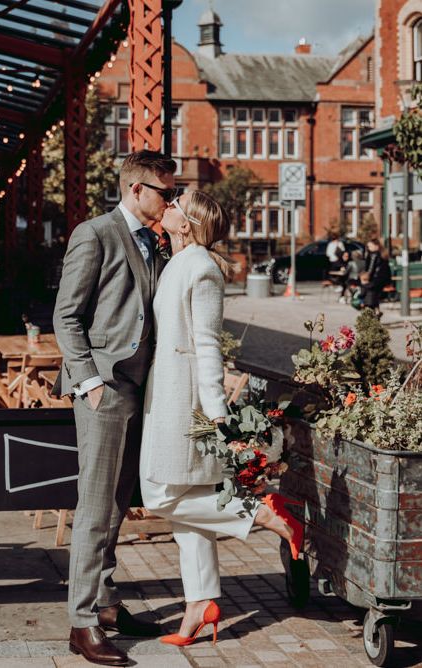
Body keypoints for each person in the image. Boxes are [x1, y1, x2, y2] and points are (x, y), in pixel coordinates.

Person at [139, 191, 303, 648]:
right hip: (167, 390)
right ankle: (201, 604)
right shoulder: (178, 261)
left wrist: (217, 416)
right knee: (188, 505)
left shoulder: (203, 269)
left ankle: (262, 514)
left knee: (159, 496)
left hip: (185, 398)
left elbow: (209, 344)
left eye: (176, 200)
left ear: (187, 222)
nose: (168, 203)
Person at [53, 150, 177, 666]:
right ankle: (82, 624)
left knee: (118, 506)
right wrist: (88, 382)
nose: (172, 201)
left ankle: (105, 605)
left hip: (137, 390)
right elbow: (66, 315)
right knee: (95, 509)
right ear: (135, 190)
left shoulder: (155, 241)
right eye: (165, 193)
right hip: (104, 389)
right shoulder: (95, 233)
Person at [363, 238, 391, 313]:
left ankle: (370, 310)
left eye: (370, 246)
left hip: (378, 280)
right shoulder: (380, 255)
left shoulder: (375, 256)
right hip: (380, 280)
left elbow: (370, 270)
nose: (368, 248)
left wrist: (367, 280)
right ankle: (376, 310)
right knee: (372, 292)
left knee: (369, 289)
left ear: (377, 246)